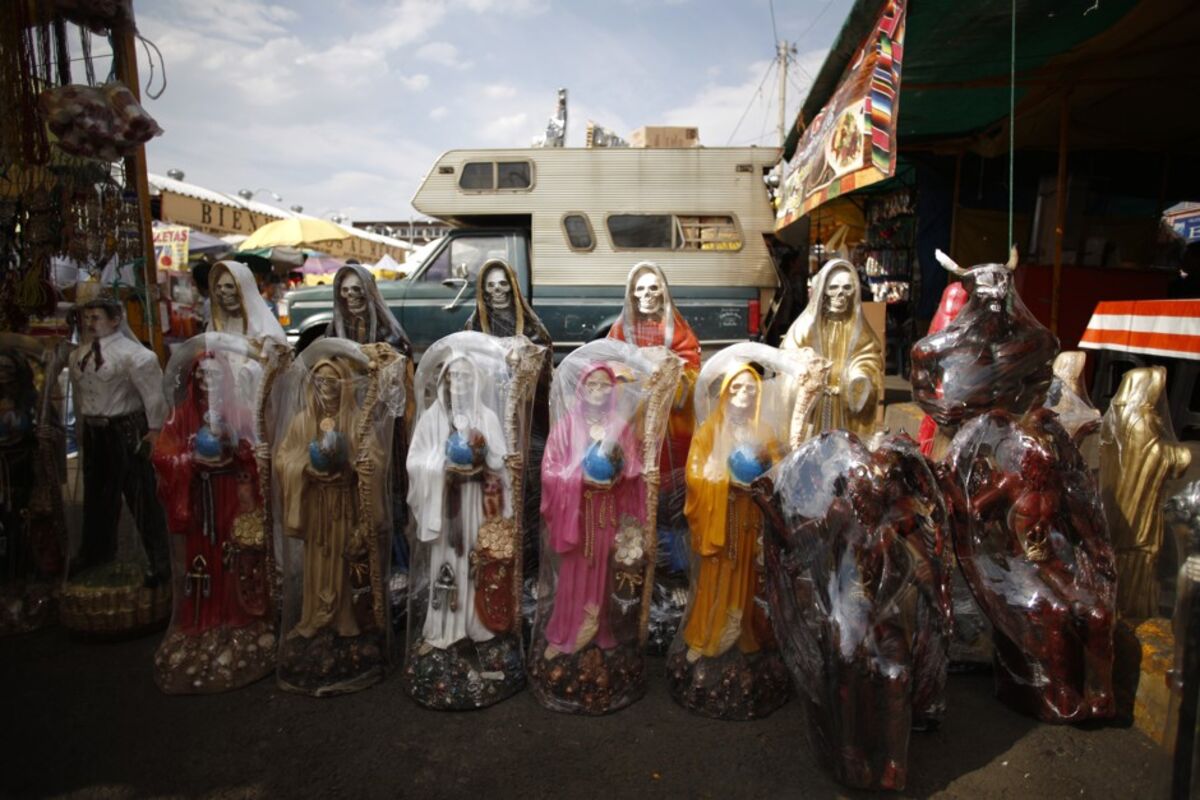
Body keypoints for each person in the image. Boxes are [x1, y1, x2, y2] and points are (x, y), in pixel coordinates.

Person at [151, 346, 273, 693]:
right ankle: (201, 620)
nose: (207, 381)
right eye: (202, 375)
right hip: (200, 498)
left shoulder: (238, 414)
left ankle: (238, 616)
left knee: (233, 555)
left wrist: (243, 453)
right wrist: (189, 461)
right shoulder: (181, 416)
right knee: (201, 559)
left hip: (230, 496)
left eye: (215, 375)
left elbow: (252, 451)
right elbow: (164, 454)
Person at [274, 347, 391, 695]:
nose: (326, 387)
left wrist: (363, 466)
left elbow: (375, 457)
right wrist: (304, 468)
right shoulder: (301, 421)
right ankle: (313, 618)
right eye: (321, 382)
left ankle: (344, 619)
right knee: (316, 562)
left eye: (333, 382)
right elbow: (284, 458)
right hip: (315, 505)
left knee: (343, 562)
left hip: (343, 505)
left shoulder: (357, 420)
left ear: (344, 386)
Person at [540, 363, 644, 658]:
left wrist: (624, 473)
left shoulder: (619, 426)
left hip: (608, 511)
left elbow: (632, 467)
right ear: (581, 389)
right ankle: (567, 631)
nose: (598, 391)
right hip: (577, 512)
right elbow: (550, 470)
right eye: (592, 385)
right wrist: (578, 479)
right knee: (576, 570)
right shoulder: (567, 426)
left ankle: (600, 631)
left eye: (604, 386)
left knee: (605, 568)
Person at [407, 354, 510, 651]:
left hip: (476, 502)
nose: (460, 383)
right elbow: (415, 460)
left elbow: (499, 462)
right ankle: (445, 628)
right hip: (446, 503)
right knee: (448, 564)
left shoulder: (487, 416)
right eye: (455, 376)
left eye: (467, 376)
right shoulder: (433, 417)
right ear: (445, 380)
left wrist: (487, 455)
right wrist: (441, 466)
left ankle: (478, 623)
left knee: (478, 561)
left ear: (476, 381)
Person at [681, 365, 783, 663]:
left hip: (751, 518)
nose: (743, 395)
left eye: (750, 389)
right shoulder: (710, 430)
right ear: (725, 393)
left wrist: (763, 480)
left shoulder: (763, 431)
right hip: (721, 517)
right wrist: (724, 481)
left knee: (749, 575)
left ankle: (743, 634)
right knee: (717, 574)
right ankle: (705, 634)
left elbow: (777, 467)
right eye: (736, 388)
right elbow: (694, 473)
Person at [68, 297, 169, 588]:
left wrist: (155, 429)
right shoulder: (79, 355)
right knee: (97, 496)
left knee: (141, 496)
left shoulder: (136, 356)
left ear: (115, 320)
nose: (90, 323)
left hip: (125, 429)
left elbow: (153, 395)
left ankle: (158, 561)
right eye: (86, 318)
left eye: (96, 317)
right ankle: (96, 553)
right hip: (94, 431)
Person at [1099, 367, 1192, 618]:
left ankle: (1126, 602)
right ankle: (1133, 606)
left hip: (1122, 499)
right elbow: (1155, 458)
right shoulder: (1141, 422)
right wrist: (1181, 455)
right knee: (1140, 553)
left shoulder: (1119, 415)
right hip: (1137, 505)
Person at [781, 258, 883, 439]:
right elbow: (788, 357)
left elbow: (869, 356)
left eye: (847, 288)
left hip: (844, 405)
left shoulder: (859, 329)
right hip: (813, 405)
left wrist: (859, 375)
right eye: (833, 288)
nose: (840, 295)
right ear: (822, 291)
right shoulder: (805, 327)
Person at [207, 260, 286, 342]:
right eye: (219, 287)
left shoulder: (263, 327)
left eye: (229, 286)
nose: (222, 291)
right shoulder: (219, 324)